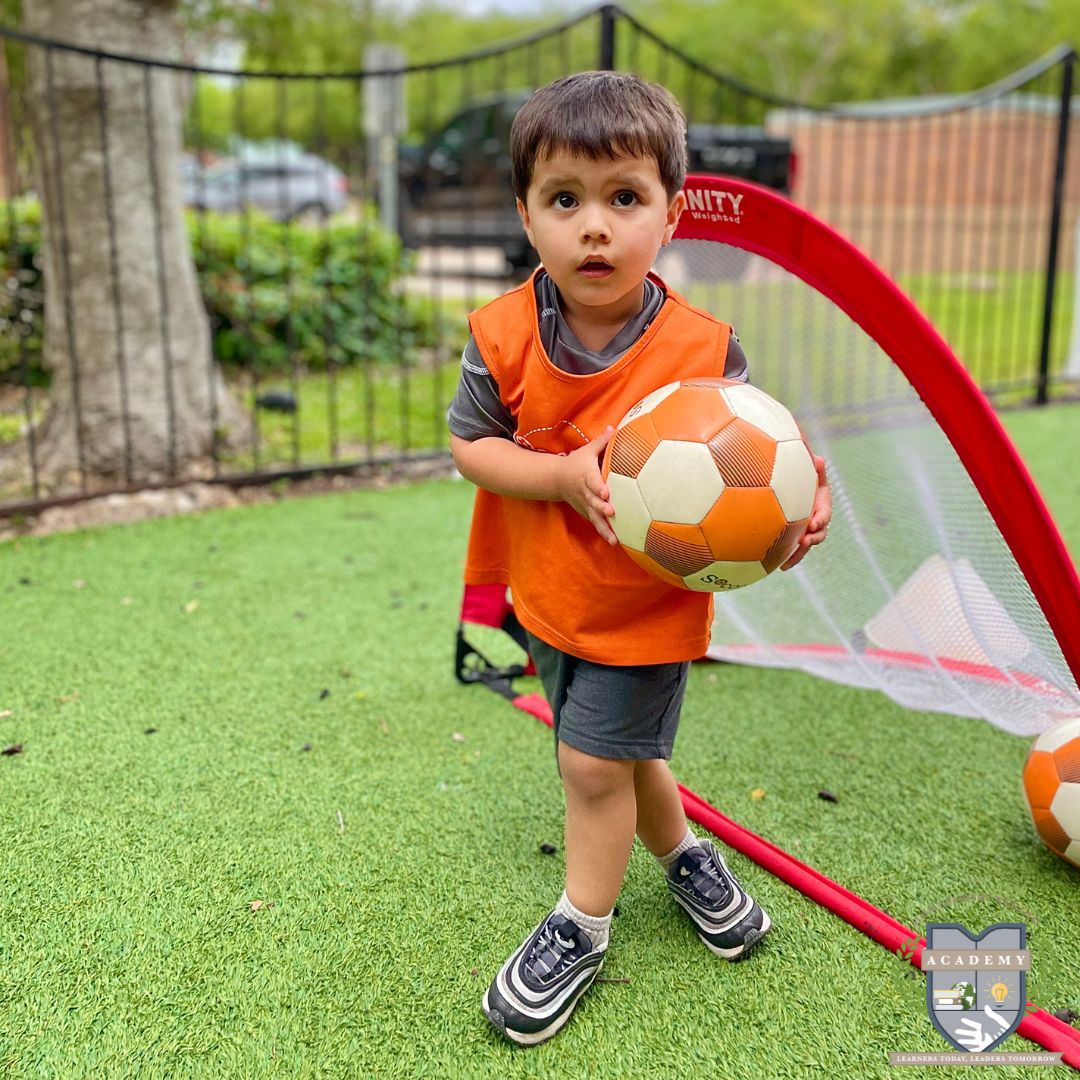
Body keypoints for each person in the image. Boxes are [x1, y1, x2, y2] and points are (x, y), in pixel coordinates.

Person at [447, 70, 832, 1046]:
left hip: (646, 613)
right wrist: (567, 473)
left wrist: (798, 510)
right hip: (548, 593)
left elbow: (767, 455)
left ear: (672, 214)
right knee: (621, 756)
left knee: (587, 765)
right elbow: (471, 448)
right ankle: (688, 857)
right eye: (564, 200)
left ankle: (582, 923)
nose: (595, 228)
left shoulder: (703, 352)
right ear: (526, 216)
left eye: (625, 199)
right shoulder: (500, 336)